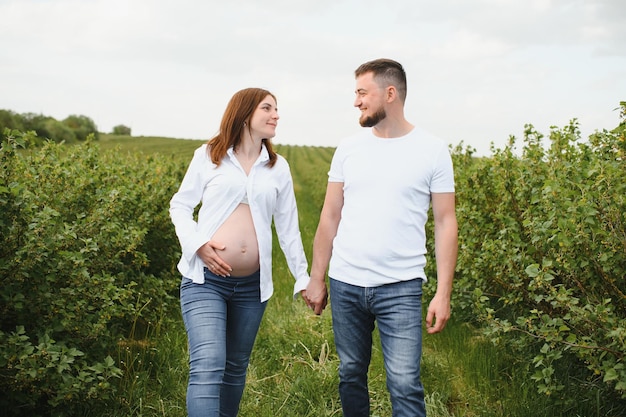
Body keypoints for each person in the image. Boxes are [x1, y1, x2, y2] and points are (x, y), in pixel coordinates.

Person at [303, 58, 458, 417]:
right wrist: (316, 277)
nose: (356, 101)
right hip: (346, 283)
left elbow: (446, 222)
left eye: (362, 92)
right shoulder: (349, 148)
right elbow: (330, 215)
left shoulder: (432, 149)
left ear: (390, 93)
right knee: (351, 373)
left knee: (404, 383)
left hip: (401, 287)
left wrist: (443, 292)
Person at [169, 87, 310, 417]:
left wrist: (302, 277)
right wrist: (197, 245)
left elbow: (289, 228)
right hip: (206, 280)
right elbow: (180, 205)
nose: (276, 115)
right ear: (246, 114)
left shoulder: (278, 167)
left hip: (252, 287)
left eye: (276, 109)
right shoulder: (209, 155)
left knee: (234, 369)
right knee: (208, 364)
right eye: (268, 108)